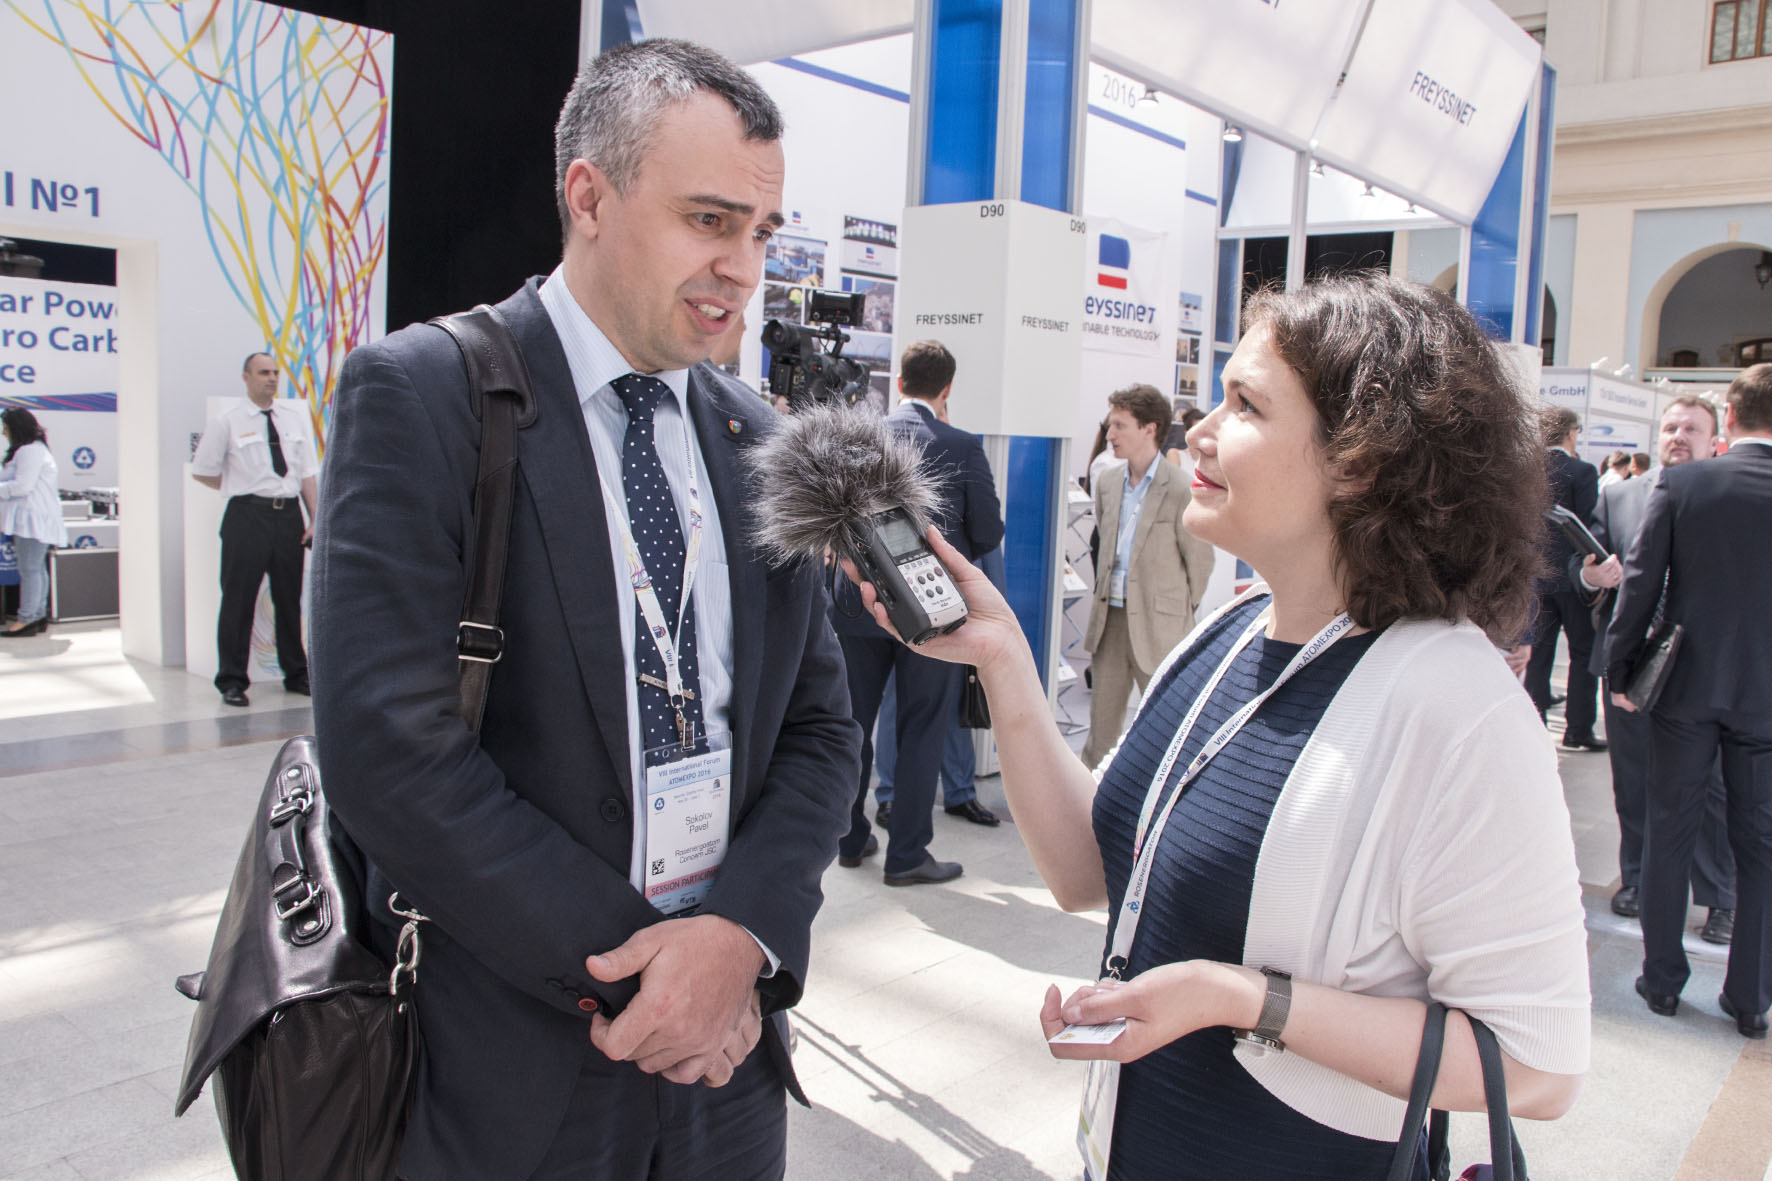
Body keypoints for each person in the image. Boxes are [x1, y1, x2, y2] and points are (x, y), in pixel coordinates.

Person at [845, 274, 1588, 1179]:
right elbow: (1086, 870)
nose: (1198, 431)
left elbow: (1538, 1067)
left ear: (1362, 458)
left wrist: (1243, 998)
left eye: (1245, 405)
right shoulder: (1230, 632)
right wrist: (1001, 656)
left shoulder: (1459, 709)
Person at [310, 40, 862, 1177]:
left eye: (762, 233)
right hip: (508, 1053)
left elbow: (818, 728)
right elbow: (388, 752)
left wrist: (737, 941)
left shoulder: (761, 439)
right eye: (709, 221)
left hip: (727, 1059)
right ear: (590, 196)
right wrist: (649, 971)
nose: (741, 268)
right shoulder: (426, 394)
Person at [1607, 363, 1772, 1040]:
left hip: (1686, 688)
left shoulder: (1684, 483)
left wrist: (1620, 669)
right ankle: (1751, 997)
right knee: (1760, 843)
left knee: (1669, 830)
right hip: (1765, 698)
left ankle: (1663, 981)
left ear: (1729, 416)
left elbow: (1640, 583)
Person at [831, 339, 1005, 881]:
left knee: (852, 725)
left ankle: (849, 839)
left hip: (856, 602)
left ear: (900, 383)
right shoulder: (961, 445)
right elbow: (988, 531)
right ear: (946, 389)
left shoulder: (858, 439)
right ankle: (907, 855)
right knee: (922, 726)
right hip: (932, 607)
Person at [1573, 396, 1735, 939]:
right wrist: (1591, 578)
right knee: (1635, 779)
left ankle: (1720, 896)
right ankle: (1639, 879)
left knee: (1713, 785)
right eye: (1671, 427)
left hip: (1704, 668)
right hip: (1632, 662)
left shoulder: (1729, 495)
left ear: (1715, 439)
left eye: (1692, 428)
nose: (1679, 436)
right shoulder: (1620, 496)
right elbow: (1581, 565)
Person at [1079, 384, 1215, 771]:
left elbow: (1200, 563)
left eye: (1120, 425)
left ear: (1149, 428)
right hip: (1110, 622)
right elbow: (1104, 545)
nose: (1110, 434)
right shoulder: (1107, 482)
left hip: (1161, 627)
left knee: (1166, 731)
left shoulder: (1182, 488)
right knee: (1101, 734)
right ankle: (1090, 802)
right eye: (1110, 425)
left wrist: (1176, 612)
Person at [190, 352, 319, 706]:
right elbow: (203, 471)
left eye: (275, 372)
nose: (272, 378)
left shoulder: (293, 419)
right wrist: (236, 486)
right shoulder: (227, 421)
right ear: (246, 377)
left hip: (288, 516)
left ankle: (296, 673)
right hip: (247, 516)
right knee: (238, 600)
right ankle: (232, 680)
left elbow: (307, 473)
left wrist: (315, 519)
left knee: (289, 600)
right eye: (263, 372)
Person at [1523, 406, 1606, 750]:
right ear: (1571, 433)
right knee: (1583, 654)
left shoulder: (1526, 470)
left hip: (1535, 577)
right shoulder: (1582, 471)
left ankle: (1534, 727)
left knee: (1537, 656)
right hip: (1573, 579)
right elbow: (1587, 527)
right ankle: (1577, 730)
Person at [0, 408, 68, 637]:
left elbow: (22, 486)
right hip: (35, 519)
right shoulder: (35, 450)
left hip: (32, 520)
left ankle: (27, 618)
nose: (3, 432)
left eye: (6, 427)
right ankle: (36, 615)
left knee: (29, 569)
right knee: (36, 569)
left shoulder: (29, 451)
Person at [1163, 405, 1206, 474]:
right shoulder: (1175, 454)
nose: (1202, 434)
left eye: (1204, 429)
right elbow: (1175, 479)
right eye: (1197, 430)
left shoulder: (1213, 460)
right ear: (1187, 432)